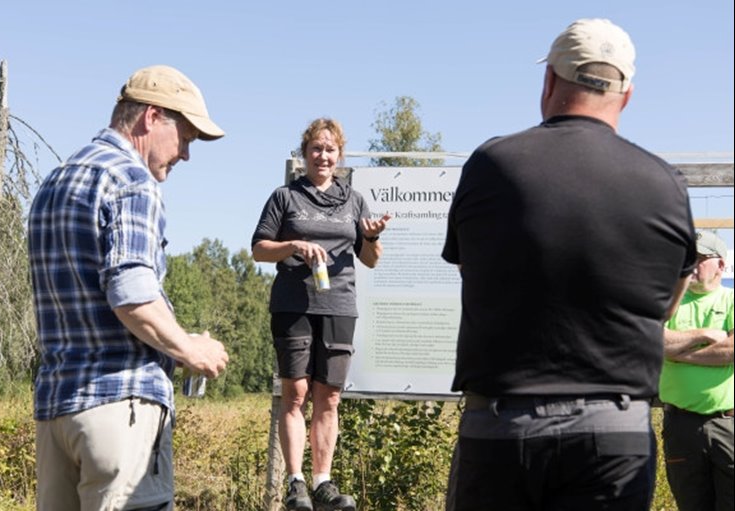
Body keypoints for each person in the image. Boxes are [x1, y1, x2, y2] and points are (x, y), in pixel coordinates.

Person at [441, 19, 697, 511]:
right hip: (614, 431)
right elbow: (665, 304)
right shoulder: (664, 183)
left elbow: (472, 273)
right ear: (626, 96)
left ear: (550, 82)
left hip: (502, 424)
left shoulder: (493, 164)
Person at [28, 65, 230, 511]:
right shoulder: (132, 181)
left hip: (56, 412)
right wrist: (187, 348)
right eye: (186, 137)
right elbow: (132, 292)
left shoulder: (55, 182)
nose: (186, 155)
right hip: (121, 408)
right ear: (151, 117)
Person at [252, 118, 390, 511]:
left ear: (339, 155)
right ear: (305, 154)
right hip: (293, 304)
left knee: (328, 399)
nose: (323, 156)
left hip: (339, 304)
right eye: (316, 149)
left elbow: (370, 260)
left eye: (330, 150)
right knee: (295, 394)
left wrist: (374, 236)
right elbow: (259, 249)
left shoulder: (354, 200)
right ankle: (295, 482)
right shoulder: (285, 197)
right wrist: (292, 244)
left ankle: (322, 482)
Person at [660, 230, 733, 511]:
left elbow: (731, 351)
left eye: (700, 258)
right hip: (681, 426)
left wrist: (680, 353)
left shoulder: (731, 300)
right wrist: (703, 333)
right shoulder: (669, 302)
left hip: (728, 425)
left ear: (721, 266)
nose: (691, 266)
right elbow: (653, 342)